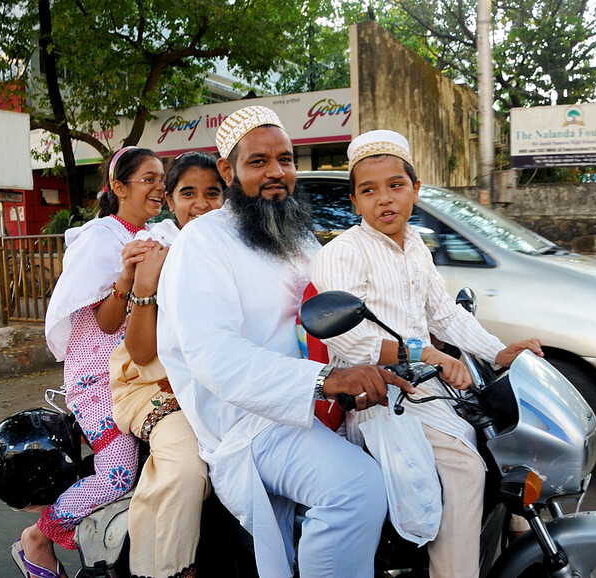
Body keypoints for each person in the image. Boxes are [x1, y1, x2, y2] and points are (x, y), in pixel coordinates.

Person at [156, 106, 413, 578]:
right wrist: (324, 380)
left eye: (286, 159)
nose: (276, 172)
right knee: (357, 489)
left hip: (321, 405)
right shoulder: (203, 243)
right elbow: (214, 356)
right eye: (259, 162)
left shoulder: (298, 239)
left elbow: (342, 315)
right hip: (253, 424)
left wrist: (412, 348)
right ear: (229, 171)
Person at [311, 129, 544, 578]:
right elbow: (349, 340)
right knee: (465, 469)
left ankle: (515, 544)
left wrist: (501, 352)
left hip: (426, 394)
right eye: (369, 190)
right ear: (355, 202)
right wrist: (431, 356)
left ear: (415, 191)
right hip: (379, 399)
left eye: (395, 186)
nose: (384, 200)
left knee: (507, 439)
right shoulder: (344, 252)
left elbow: (445, 315)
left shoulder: (416, 245)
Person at [13, 147, 163, 578]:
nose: (159, 187)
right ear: (119, 187)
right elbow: (104, 322)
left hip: (143, 374)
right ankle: (39, 538)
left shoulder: (161, 233)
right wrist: (128, 277)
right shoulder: (100, 239)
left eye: (163, 179)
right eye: (148, 178)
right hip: (98, 380)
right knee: (118, 474)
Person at [109, 152, 224, 578]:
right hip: (154, 385)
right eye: (187, 193)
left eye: (213, 193)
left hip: (220, 383)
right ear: (170, 200)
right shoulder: (156, 251)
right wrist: (145, 282)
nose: (201, 204)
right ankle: (165, 570)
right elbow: (140, 353)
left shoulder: (234, 245)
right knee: (185, 469)